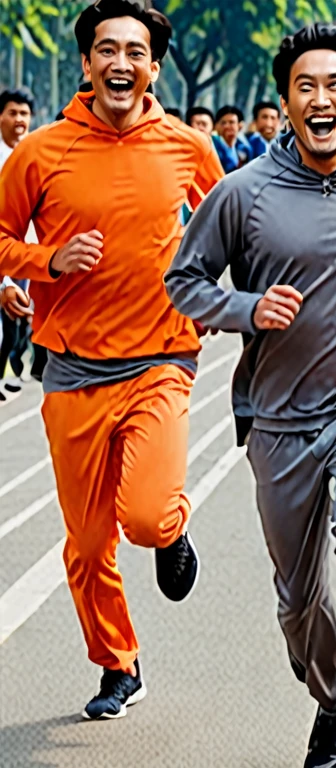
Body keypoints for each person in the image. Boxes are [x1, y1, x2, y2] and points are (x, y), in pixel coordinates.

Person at [165, 22, 336, 768]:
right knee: (295, 603)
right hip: (280, 417)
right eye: (304, 87)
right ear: (285, 102)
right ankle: (330, 701)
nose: (320, 100)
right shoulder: (243, 193)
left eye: (335, 87)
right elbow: (184, 282)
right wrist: (247, 309)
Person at [0, 0, 223, 720]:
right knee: (88, 545)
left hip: (162, 356)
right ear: (86, 64)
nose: (120, 62)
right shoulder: (41, 151)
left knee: (149, 517)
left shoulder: (187, 146)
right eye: (106, 50)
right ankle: (118, 664)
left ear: (153, 67)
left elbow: (230, 226)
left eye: (134, 51)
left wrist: (224, 295)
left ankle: (172, 531)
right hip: (72, 368)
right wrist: (44, 261)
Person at [0, 86, 35, 402]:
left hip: (25, 254)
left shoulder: (33, 155)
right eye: (12, 112)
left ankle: (11, 370)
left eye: (24, 113)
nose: (19, 119)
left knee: (17, 327)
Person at [213, 104, 252, 172]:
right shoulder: (213, 147)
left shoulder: (245, 148)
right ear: (217, 126)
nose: (227, 126)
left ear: (240, 125)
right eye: (223, 123)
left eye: (231, 122)